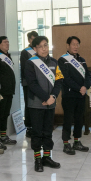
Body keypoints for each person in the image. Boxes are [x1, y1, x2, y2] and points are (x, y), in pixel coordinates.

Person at [25, 36, 63, 173]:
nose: (44, 48)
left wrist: (52, 97)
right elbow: (32, 84)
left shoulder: (54, 62)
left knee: (48, 131)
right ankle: (38, 159)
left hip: (50, 103)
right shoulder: (30, 63)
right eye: (40, 46)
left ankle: (47, 157)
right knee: (36, 132)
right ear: (35, 49)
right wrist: (46, 97)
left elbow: (58, 81)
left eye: (45, 45)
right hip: (36, 103)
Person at [58, 36, 91, 155]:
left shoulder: (82, 60)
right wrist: (79, 88)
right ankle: (66, 143)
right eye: (73, 44)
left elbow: (87, 75)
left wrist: (85, 87)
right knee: (68, 119)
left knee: (79, 119)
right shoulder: (62, 60)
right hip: (69, 95)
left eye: (78, 44)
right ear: (68, 45)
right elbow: (66, 78)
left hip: (81, 95)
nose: (76, 46)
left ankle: (77, 141)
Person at [0, 36, 17, 146]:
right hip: (2, 91)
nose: (7, 44)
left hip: (9, 91)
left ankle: (3, 136)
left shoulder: (8, 56)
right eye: (5, 42)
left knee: (5, 114)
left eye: (8, 42)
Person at [20, 31, 38, 136]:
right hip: (28, 83)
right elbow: (24, 69)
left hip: (39, 83)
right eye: (32, 38)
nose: (33, 40)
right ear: (28, 40)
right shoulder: (25, 52)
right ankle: (29, 127)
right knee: (28, 104)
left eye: (35, 38)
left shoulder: (40, 51)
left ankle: (37, 126)